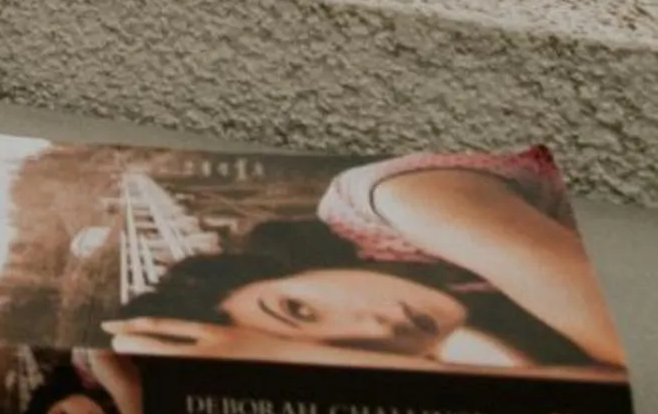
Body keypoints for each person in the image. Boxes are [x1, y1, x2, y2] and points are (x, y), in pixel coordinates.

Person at [103, 146, 623, 374]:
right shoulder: (467, 325)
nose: (376, 332)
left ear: (286, 270)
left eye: (299, 310)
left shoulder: (390, 203)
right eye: (345, 353)